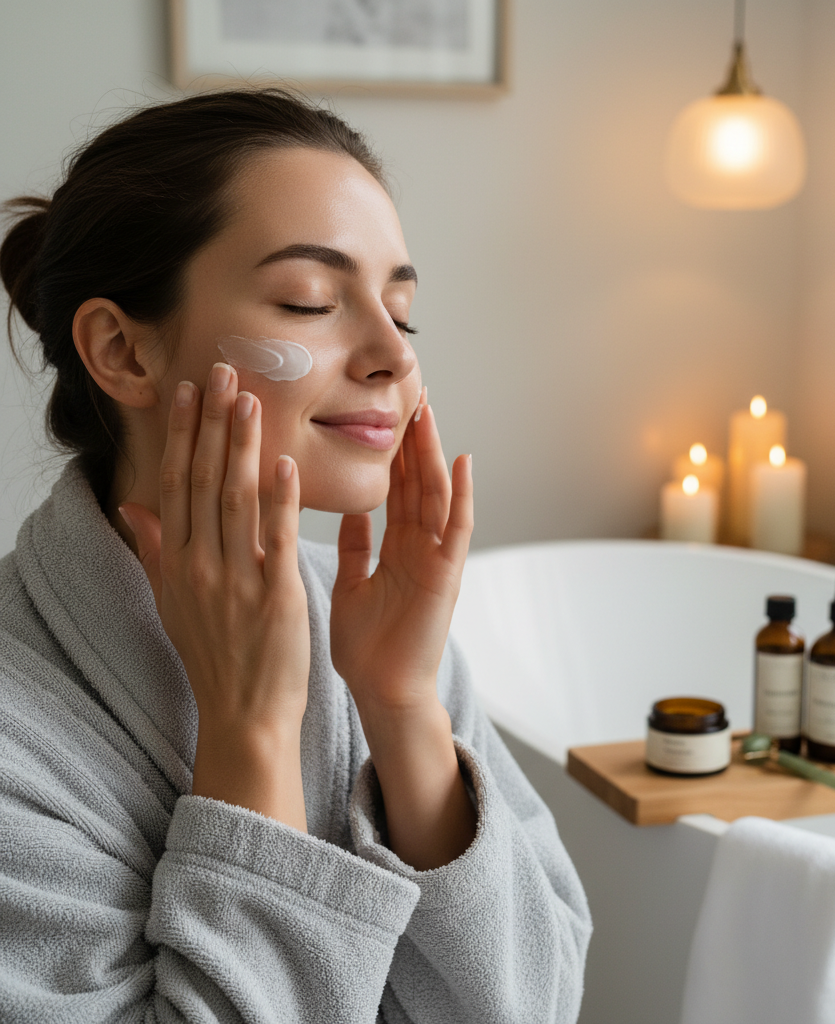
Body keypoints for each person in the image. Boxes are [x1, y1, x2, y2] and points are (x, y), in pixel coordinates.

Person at [0, 88, 591, 1023]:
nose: (390, 356)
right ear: (122, 351)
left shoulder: (375, 631)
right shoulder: (17, 730)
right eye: (309, 301)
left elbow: (538, 1001)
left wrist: (403, 710)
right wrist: (252, 736)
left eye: (401, 310)